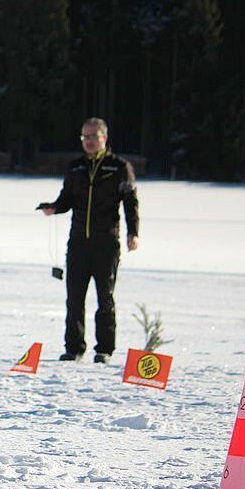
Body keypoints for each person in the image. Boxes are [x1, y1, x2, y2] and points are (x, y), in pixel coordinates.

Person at [39, 117, 139, 364]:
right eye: (85, 137)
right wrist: (53, 208)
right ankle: (74, 348)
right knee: (74, 297)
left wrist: (133, 232)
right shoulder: (75, 167)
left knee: (105, 298)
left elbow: (130, 202)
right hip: (78, 243)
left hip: (106, 243)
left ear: (105, 138)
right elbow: (66, 199)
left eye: (94, 136)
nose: (89, 141)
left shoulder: (119, 167)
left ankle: (104, 349)